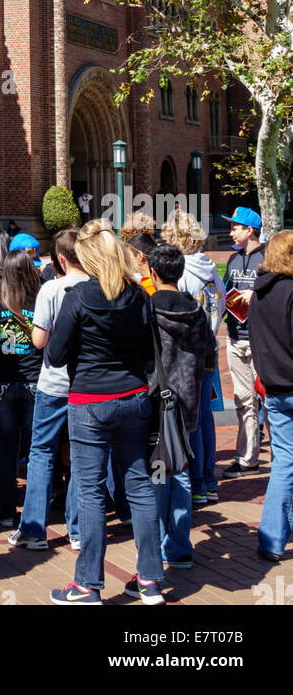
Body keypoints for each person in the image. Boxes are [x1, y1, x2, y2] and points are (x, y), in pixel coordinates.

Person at [47, 220, 164, 606]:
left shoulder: (79, 297)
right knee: (139, 486)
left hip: (90, 401)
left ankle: (87, 585)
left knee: (92, 490)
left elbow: (56, 354)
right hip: (132, 396)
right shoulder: (138, 296)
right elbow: (150, 352)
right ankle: (149, 579)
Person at [8, 225, 86, 552]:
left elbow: (39, 340)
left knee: (41, 451)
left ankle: (34, 529)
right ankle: (79, 529)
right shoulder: (98, 286)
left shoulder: (51, 290)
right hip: (85, 383)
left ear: (60, 258)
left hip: (54, 382)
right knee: (81, 455)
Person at [146, 243, 215, 569]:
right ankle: (180, 546)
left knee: (159, 472)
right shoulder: (196, 312)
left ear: (153, 272)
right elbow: (210, 356)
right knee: (182, 472)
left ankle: (161, 545)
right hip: (187, 400)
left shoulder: (149, 310)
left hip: (157, 401)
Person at [162, 209, 225, 505]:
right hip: (209, 349)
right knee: (205, 417)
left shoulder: (183, 272)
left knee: (191, 421)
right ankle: (208, 479)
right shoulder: (212, 270)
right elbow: (220, 306)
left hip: (188, 353)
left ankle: (197, 480)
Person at [0, 249, 43, 528]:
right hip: (34, 379)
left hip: (2, 382)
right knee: (34, 449)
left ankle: (6, 511)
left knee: (7, 448)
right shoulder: (40, 300)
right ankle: (34, 512)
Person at [248, 230, 293, 561]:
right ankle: (272, 536)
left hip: (273, 385)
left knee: (284, 461)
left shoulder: (258, 294)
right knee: (286, 462)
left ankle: (275, 535)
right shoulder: (290, 291)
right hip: (286, 382)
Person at [221, 206, 265, 476]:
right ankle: (247, 458)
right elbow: (225, 290)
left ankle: (285, 457)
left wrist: (255, 295)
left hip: (262, 340)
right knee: (243, 401)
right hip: (236, 337)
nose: (231, 231)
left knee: (269, 401)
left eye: (235, 227)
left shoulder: (268, 259)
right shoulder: (233, 260)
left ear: (250, 230)